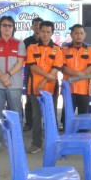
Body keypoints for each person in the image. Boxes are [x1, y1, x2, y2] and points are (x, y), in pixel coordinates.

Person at [25, 20, 63, 154]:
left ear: (52, 33)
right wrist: (46, 77)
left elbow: (56, 67)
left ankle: (53, 143)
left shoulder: (58, 49)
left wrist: (43, 82)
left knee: (51, 116)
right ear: (39, 32)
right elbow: (32, 65)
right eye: (43, 31)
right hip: (34, 88)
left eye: (48, 32)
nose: (45, 34)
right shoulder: (31, 47)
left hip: (51, 89)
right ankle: (36, 143)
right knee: (36, 116)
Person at [0, 15, 26, 144]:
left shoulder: (19, 44)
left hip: (14, 84)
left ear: (13, 28)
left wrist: (7, 75)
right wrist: (2, 78)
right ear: (0, 27)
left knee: (15, 113)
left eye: (10, 25)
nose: (7, 28)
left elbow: (20, 63)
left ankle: (16, 140)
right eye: (4, 25)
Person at [61, 24, 91, 120]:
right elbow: (63, 67)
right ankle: (67, 133)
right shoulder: (64, 50)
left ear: (85, 35)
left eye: (81, 33)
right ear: (71, 35)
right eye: (76, 33)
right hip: (68, 88)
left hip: (84, 89)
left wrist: (81, 75)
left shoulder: (90, 51)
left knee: (83, 118)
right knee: (67, 118)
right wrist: (79, 74)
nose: (79, 36)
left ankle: (83, 134)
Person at [22, 17, 43, 132]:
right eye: (35, 24)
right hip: (30, 74)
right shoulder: (27, 41)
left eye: (40, 24)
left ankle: (44, 123)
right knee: (29, 99)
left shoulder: (46, 41)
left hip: (45, 75)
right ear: (32, 27)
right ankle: (29, 123)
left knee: (45, 100)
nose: (37, 26)